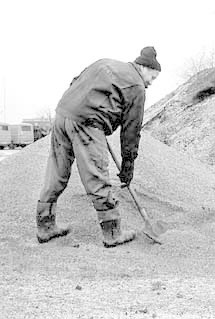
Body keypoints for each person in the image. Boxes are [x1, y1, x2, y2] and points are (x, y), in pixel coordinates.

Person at [36, 46, 161, 248]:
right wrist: (128, 165)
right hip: (87, 123)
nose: (150, 84)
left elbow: (74, 81)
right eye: (152, 78)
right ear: (144, 68)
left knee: (56, 172)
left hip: (63, 114)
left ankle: (45, 227)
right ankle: (112, 233)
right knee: (97, 175)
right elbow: (131, 131)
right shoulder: (136, 86)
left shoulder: (104, 63)